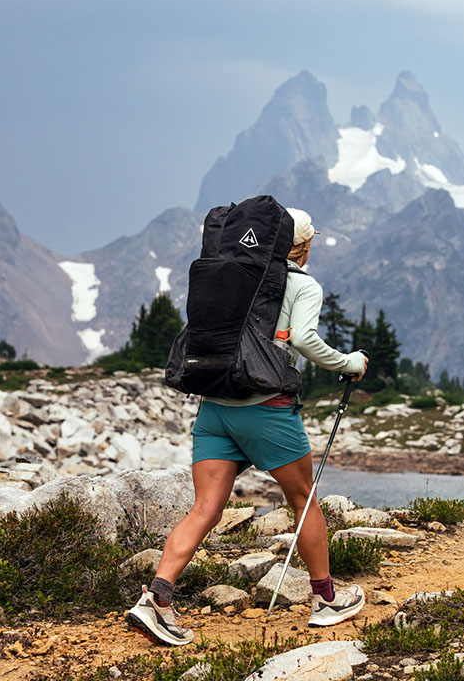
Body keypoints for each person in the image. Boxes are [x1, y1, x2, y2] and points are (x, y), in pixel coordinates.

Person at [127, 207, 370, 645]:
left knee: (206, 509)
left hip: (215, 410)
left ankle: (156, 599)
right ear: (303, 245)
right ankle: (326, 599)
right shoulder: (302, 285)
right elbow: (303, 340)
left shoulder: (230, 280)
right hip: (267, 411)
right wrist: (350, 362)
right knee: (303, 500)